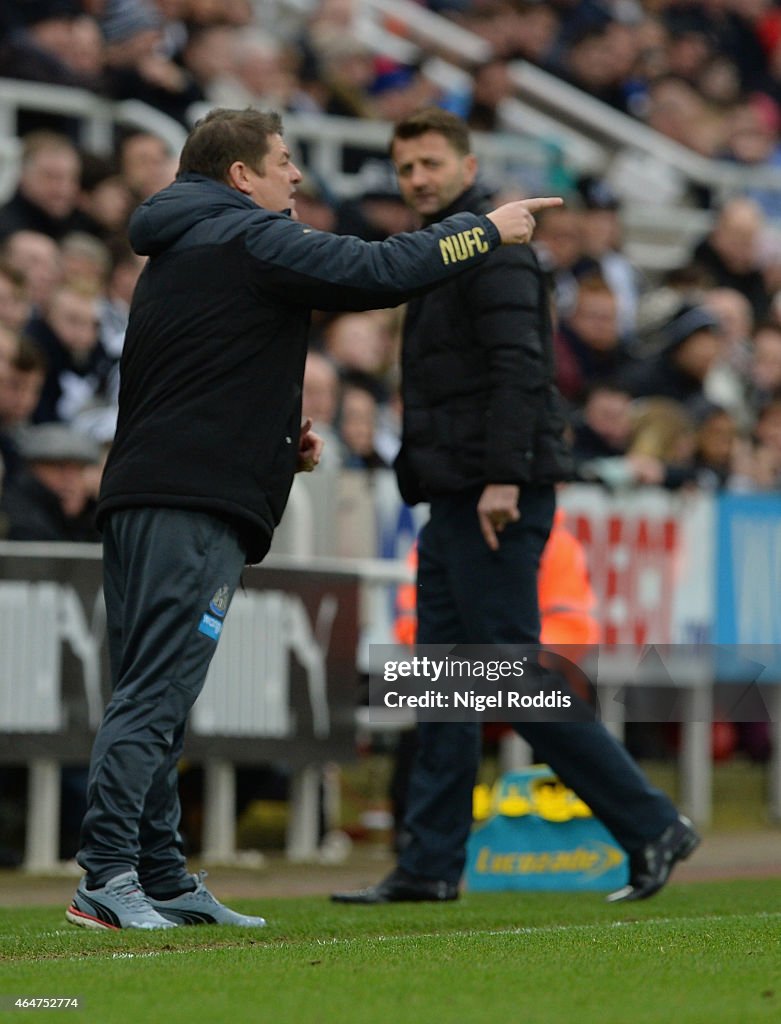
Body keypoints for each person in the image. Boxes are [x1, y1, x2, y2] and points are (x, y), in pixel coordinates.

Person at [65, 106, 562, 932]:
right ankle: (107, 875)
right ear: (241, 177)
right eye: (285, 161)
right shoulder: (246, 236)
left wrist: (264, 443)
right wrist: (482, 230)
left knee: (155, 694)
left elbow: (183, 382)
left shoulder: (183, 248)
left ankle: (158, 873)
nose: (297, 177)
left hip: (155, 493)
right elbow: (377, 269)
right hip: (187, 505)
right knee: (154, 695)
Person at [331, 108, 699, 908]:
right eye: (405, 168)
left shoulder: (492, 251)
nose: (416, 179)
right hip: (455, 491)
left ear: (467, 167)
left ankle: (649, 822)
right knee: (444, 682)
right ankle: (428, 864)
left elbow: (519, 369)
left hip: (492, 492)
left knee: (504, 677)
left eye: (429, 163)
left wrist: (502, 477)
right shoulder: (450, 252)